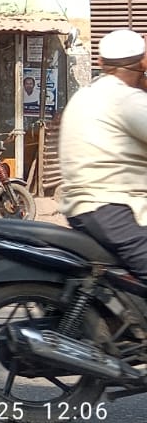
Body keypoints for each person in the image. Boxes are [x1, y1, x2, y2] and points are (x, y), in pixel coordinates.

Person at [58, 28, 147, 280]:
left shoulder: (86, 94)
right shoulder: (127, 100)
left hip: (84, 209)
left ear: (100, 62)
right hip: (112, 209)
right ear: (142, 63)